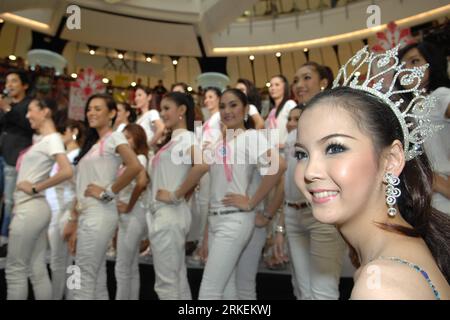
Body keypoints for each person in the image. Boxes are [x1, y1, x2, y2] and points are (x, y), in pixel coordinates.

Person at [294, 46, 450, 299]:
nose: (310, 171)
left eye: (335, 147)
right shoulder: (406, 245)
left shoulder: (379, 285)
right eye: (301, 154)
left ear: (391, 160)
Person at [198, 88, 286, 300]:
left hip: (236, 221)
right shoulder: (220, 144)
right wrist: (207, 234)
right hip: (219, 220)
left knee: (210, 292)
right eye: (222, 106)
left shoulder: (250, 137)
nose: (227, 110)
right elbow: (215, 191)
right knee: (231, 291)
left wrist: (253, 204)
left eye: (233, 105)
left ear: (246, 109)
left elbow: (279, 166)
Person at [64, 93, 142, 300]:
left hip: (99, 213)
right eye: (89, 108)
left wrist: (108, 193)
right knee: (94, 278)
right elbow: (81, 187)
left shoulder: (114, 136)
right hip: (88, 214)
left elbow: (135, 166)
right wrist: (74, 220)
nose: (91, 112)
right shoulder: (94, 144)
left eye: (98, 108)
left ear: (112, 113)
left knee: (82, 276)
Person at [6, 98, 73, 300]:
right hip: (34, 208)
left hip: (31, 208)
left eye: (31, 110)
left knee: (15, 269)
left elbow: (67, 170)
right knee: (36, 270)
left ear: (45, 112)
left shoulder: (52, 139)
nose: (27, 115)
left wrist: (36, 188)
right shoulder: (45, 140)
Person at [276, 105, 346, 299]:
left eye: (297, 119)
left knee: (323, 291)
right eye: (289, 119)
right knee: (301, 288)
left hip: (319, 213)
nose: (291, 123)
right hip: (292, 214)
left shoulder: (324, 137)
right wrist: (280, 227)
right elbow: (287, 184)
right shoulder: (290, 140)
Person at [150, 92, 208, 299]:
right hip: (166, 214)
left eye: (167, 108)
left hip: (170, 213)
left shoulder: (186, 137)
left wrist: (176, 195)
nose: (162, 113)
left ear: (182, 110)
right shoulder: (173, 140)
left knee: (166, 283)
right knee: (177, 279)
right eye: (161, 109)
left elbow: (201, 165)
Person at [399, 42, 450, 215]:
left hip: (442, 192)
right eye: (402, 65)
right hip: (428, 194)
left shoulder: (439, 96)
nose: (406, 69)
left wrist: (438, 181)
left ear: (431, 64)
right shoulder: (412, 108)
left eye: (414, 61)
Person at [46, 119, 85, 300]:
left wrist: (73, 217)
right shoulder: (63, 155)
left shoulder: (77, 156)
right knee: (59, 261)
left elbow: (79, 186)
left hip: (68, 210)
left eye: (63, 131)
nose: (61, 136)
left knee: (70, 261)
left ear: (74, 131)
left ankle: (71, 296)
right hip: (55, 210)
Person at [0, 70, 34, 254]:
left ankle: (5, 239)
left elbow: (28, 126)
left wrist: (7, 109)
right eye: (7, 82)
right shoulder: (7, 105)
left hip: (14, 159)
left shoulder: (28, 105)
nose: (9, 85)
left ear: (25, 85)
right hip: (2, 155)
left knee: (10, 201)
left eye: (14, 81)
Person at [115, 124, 149, 300]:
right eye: (123, 138)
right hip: (131, 214)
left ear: (138, 139)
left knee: (122, 267)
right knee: (131, 267)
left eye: (128, 137)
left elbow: (142, 183)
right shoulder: (129, 160)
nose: (125, 142)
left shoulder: (140, 159)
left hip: (133, 213)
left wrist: (128, 206)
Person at [265, 75, 297, 146]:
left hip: (287, 150)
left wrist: (286, 144)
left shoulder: (289, 104)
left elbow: (298, 127)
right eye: (271, 85)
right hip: (274, 153)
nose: (273, 88)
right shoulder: (271, 111)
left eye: (277, 85)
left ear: (285, 87)